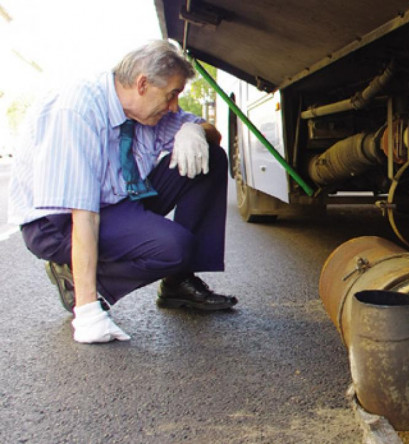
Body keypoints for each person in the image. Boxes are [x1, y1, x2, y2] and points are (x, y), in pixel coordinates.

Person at [8, 40, 237, 344]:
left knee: (210, 156)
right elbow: (83, 215)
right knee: (175, 247)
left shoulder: (146, 110)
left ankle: (178, 282)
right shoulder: (77, 111)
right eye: (171, 95)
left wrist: (195, 130)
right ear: (143, 84)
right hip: (57, 224)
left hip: (120, 199)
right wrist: (88, 310)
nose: (174, 107)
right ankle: (83, 283)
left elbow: (211, 132)